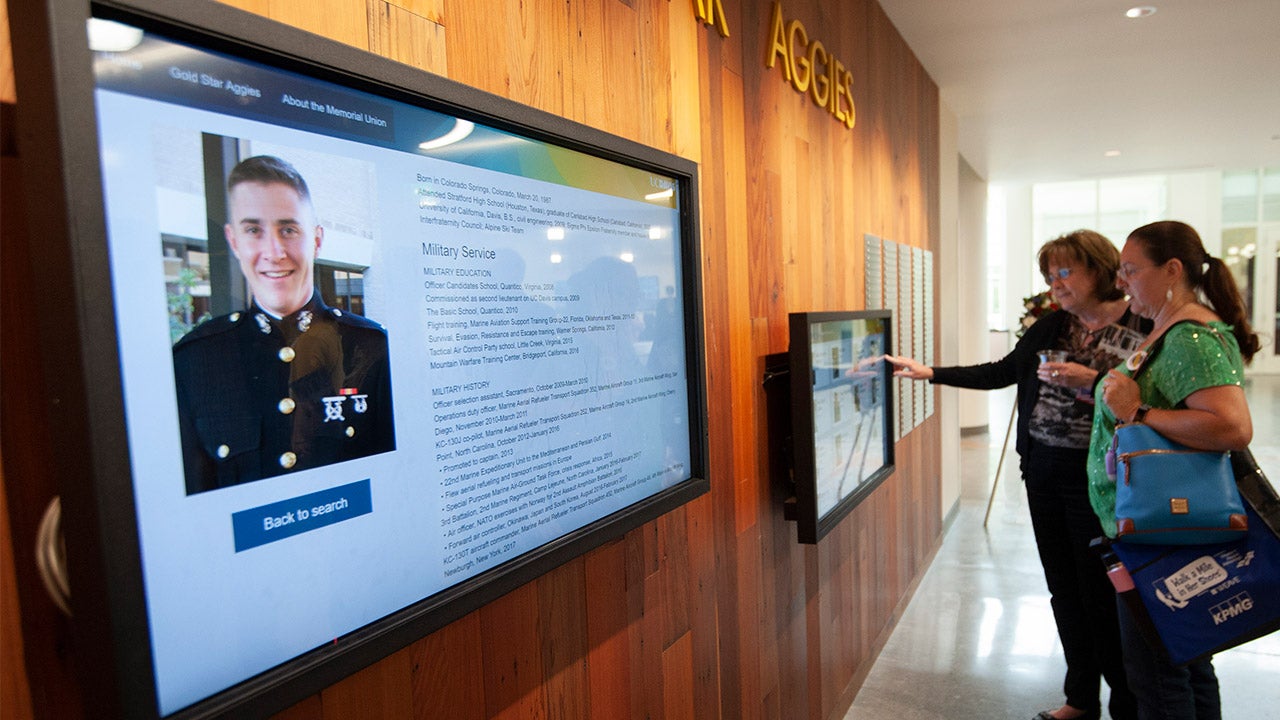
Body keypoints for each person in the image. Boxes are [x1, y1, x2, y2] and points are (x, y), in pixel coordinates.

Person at [889, 230, 1147, 720]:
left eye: (1065, 272)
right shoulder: (1052, 328)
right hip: (1045, 471)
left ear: (1100, 269)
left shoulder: (1142, 324)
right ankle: (1080, 699)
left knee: (1102, 592)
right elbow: (1003, 370)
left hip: (1105, 478)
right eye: (1049, 275)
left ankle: (1127, 704)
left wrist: (1088, 380)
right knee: (1063, 588)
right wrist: (931, 373)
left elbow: (1151, 398)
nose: (1056, 283)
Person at [1090, 220, 1257, 719]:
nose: (1122, 282)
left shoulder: (1191, 337)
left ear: (1172, 270)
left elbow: (1230, 427)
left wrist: (1138, 413)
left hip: (1164, 525)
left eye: (1130, 270)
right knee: (1185, 657)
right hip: (1156, 521)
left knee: (1159, 676)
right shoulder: (1170, 328)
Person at [173, 155, 395, 495]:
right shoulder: (194, 359)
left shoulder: (371, 347)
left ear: (317, 239)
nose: (274, 251)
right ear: (234, 241)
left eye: (288, 229)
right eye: (253, 230)